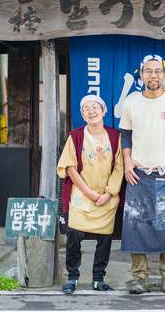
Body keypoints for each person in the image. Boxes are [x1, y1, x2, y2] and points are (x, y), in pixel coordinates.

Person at [119, 54, 165, 294]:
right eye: (148, 71)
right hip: (138, 174)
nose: (153, 75)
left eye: (157, 71)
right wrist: (127, 162)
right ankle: (139, 277)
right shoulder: (131, 102)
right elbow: (126, 136)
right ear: (141, 74)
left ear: (164, 73)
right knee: (135, 224)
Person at [57, 94, 124, 294]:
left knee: (104, 239)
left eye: (95, 107)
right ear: (82, 114)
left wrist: (109, 193)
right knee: (74, 236)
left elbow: (119, 167)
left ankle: (98, 278)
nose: (91, 111)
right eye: (86, 108)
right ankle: (72, 277)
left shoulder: (115, 136)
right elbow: (70, 168)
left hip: (107, 196)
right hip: (81, 195)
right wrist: (89, 193)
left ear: (104, 111)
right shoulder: (76, 136)